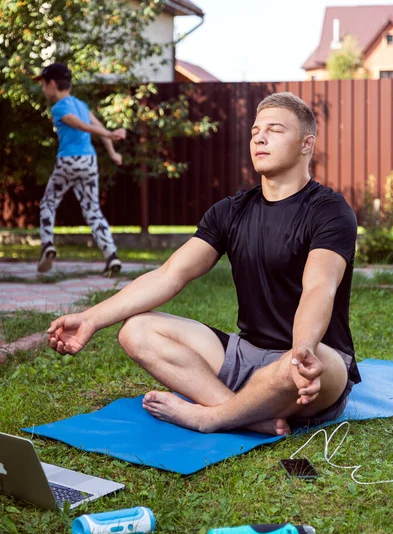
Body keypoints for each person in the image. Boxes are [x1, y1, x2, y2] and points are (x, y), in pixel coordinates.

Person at [47, 91, 361, 436]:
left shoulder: (330, 211)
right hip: (245, 357)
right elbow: (170, 274)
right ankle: (246, 414)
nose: (259, 137)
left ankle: (210, 417)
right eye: (256, 130)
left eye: (275, 129)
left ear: (306, 144)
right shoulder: (231, 211)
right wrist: (90, 319)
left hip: (313, 363)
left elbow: (319, 287)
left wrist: (301, 350)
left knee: (297, 365)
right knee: (136, 330)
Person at [34, 63, 126, 275]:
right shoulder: (81, 105)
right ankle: (111, 255)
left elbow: (78, 125)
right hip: (89, 162)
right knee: (92, 209)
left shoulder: (58, 108)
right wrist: (112, 151)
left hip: (69, 161)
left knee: (48, 202)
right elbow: (100, 129)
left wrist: (110, 138)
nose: (42, 89)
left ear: (53, 84)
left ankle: (47, 245)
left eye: (43, 85)